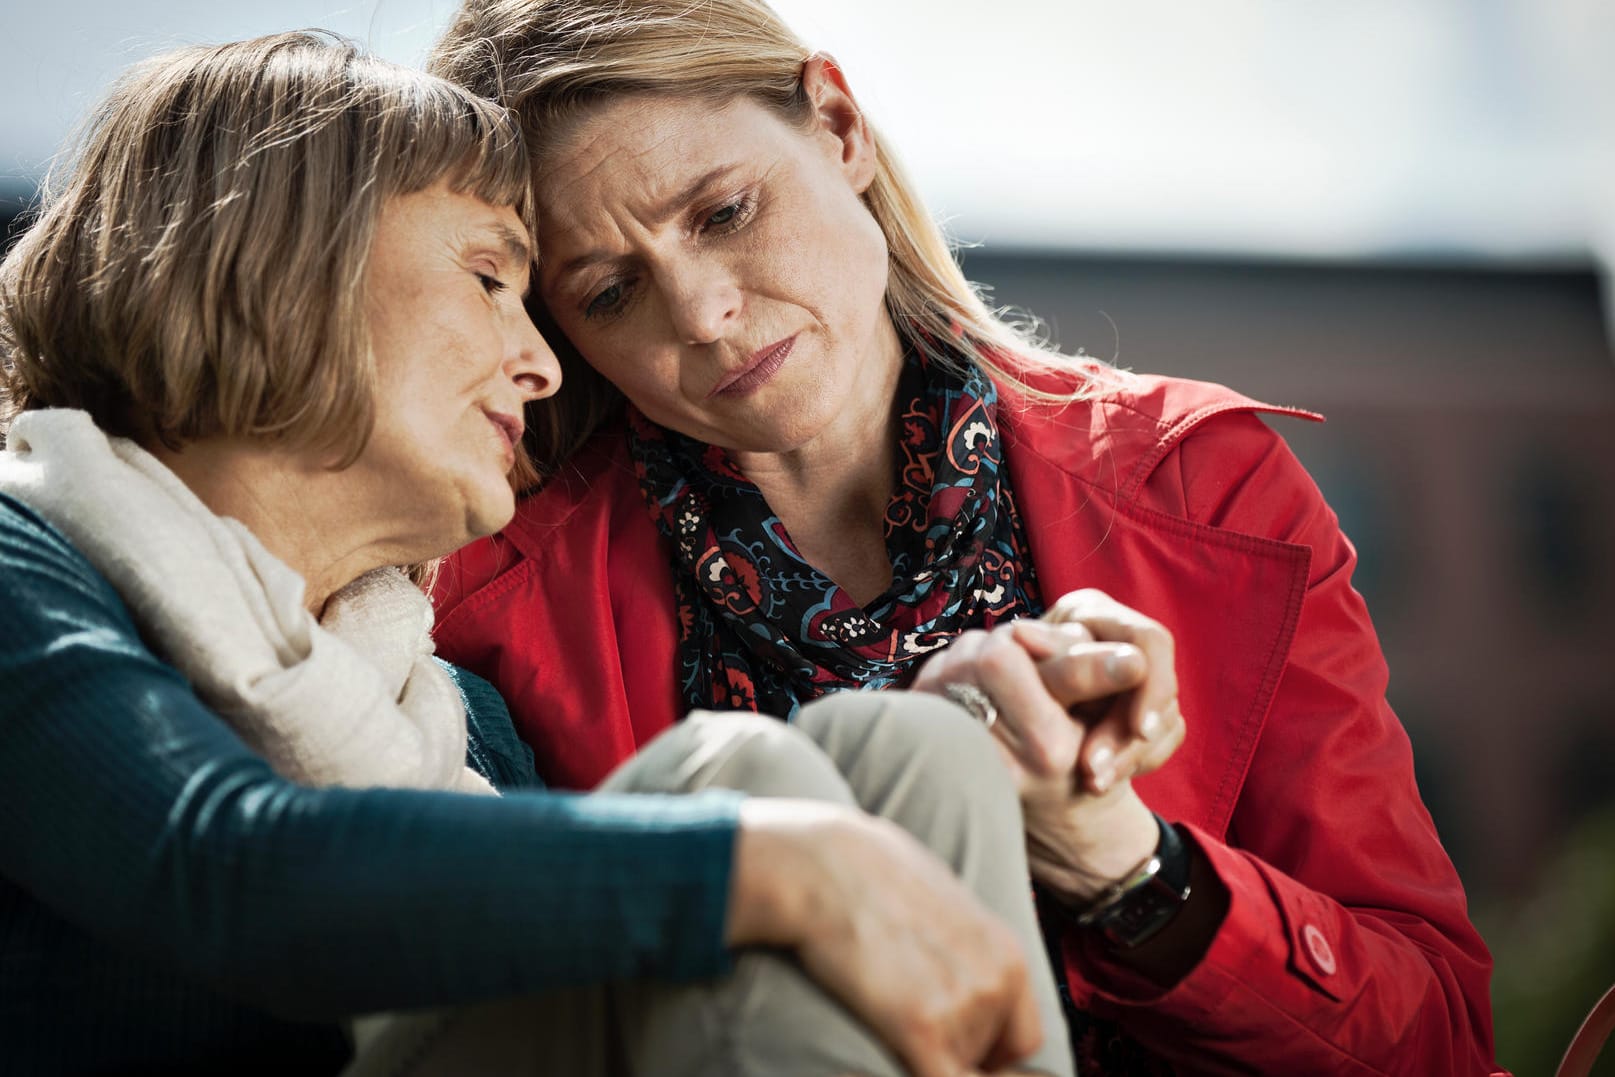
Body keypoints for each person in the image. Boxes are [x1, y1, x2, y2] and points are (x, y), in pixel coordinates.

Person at [426, 2, 1508, 1073]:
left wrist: (1127, 868)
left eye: (723, 213)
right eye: (613, 291)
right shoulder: (480, 615)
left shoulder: (1204, 485)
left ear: (837, 127)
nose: (703, 313)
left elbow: (1441, 1040)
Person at [0, 31, 1076, 1076]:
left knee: (912, 753)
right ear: (279, 271)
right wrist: (763, 862)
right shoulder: (22, 566)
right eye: (487, 279)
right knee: (743, 778)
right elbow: (219, 872)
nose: (542, 366)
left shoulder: (462, 723)